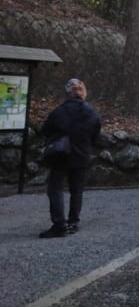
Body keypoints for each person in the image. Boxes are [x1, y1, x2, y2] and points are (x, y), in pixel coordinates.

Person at [40, 78, 101, 238]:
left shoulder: (59, 111)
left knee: (55, 189)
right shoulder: (92, 113)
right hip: (82, 155)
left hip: (61, 154)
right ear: (83, 92)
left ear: (68, 93)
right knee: (77, 190)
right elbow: (96, 135)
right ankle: (73, 222)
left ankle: (59, 224)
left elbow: (45, 130)